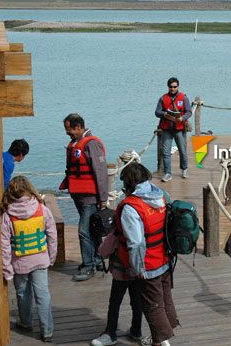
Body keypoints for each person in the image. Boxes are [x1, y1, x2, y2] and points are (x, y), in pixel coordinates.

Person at [116, 163, 179, 346]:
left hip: (148, 264)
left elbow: (135, 242)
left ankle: (160, 342)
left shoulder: (131, 207)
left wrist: (136, 268)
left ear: (128, 182)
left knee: (152, 306)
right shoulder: (161, 196)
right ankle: (165, 334)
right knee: (165, 299)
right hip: (165, 259)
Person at [0, 176, 57, 343]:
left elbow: (3, 246)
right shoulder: (42, 209)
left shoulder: (7, 215)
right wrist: (51, 257)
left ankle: (26, 323)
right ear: (30, 189)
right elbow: (52, 235)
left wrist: (7, 269)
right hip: (40, 260)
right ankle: (47, 331)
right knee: (43, 295)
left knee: (23, 294)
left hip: (19, 263)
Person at [60, 113, 108, 281]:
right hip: (78, 195)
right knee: (92, 230)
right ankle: (96, 259)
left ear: (79, 127)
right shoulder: (74, 144)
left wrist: (103, 198)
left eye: (70, 130)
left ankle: (89, 266)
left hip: (90, 197)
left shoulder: (91, 144)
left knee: (83, 231)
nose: (68, 133)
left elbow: (100, 172)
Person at [90, 230, 143, 346]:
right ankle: (136, 330)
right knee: (137, 302)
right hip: (139, 271)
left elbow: (103, 251)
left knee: (115, 303)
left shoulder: (117, 232)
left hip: (121, 272)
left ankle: (111, 333)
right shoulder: (140, 228)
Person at [155, 77, 192, 182]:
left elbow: (189, 112)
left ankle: (184, 169)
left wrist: (182, 118)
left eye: (175, 87)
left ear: (178, 87)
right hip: (166, 129)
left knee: (182, 151)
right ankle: (167, 173)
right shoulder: (163, 98)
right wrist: (164, 114)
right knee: (166, 152)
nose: (173, 89)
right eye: (171, 87)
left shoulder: (183, 98)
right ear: (168, 87)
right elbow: (157, 112)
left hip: (179, 129)